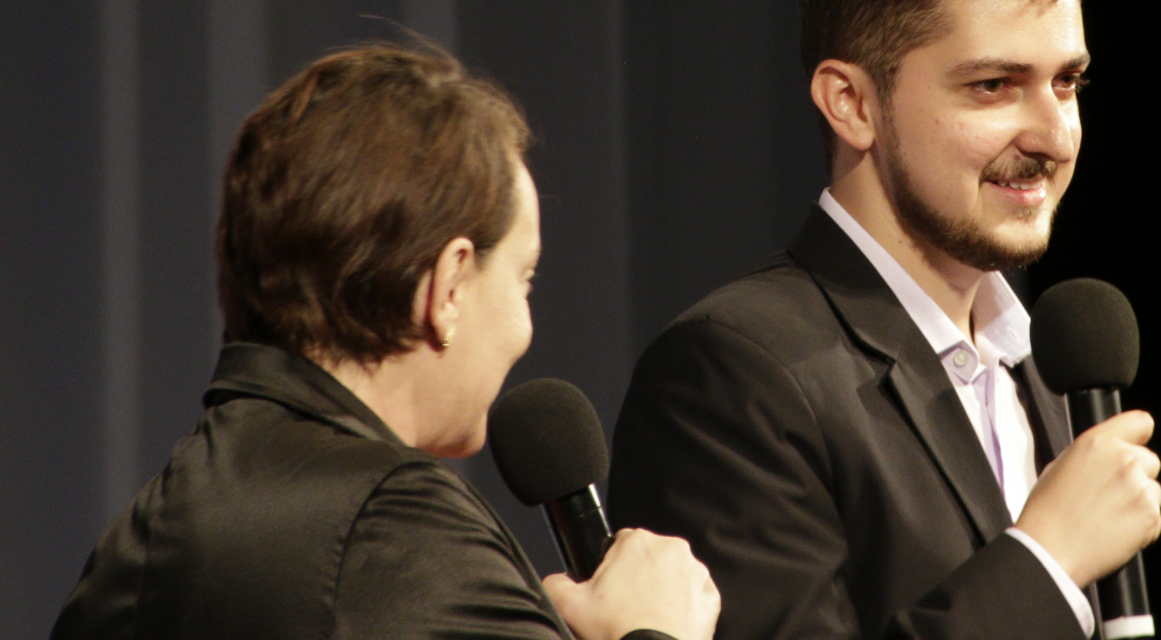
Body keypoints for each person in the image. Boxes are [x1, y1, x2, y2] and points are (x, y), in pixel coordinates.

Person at [51, 44, 719, 640]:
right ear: (450, 286)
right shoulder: (395, 532)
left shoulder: (138, 544)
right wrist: (654, 633)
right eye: (525, 277)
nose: (526, 328)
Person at [608, 1, 1161, 638]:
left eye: (1067, 83)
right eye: (993, 87)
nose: (1055, 137)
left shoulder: (1044, 365)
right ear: (853, 104)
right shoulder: (730, 375)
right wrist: (1047, 561)